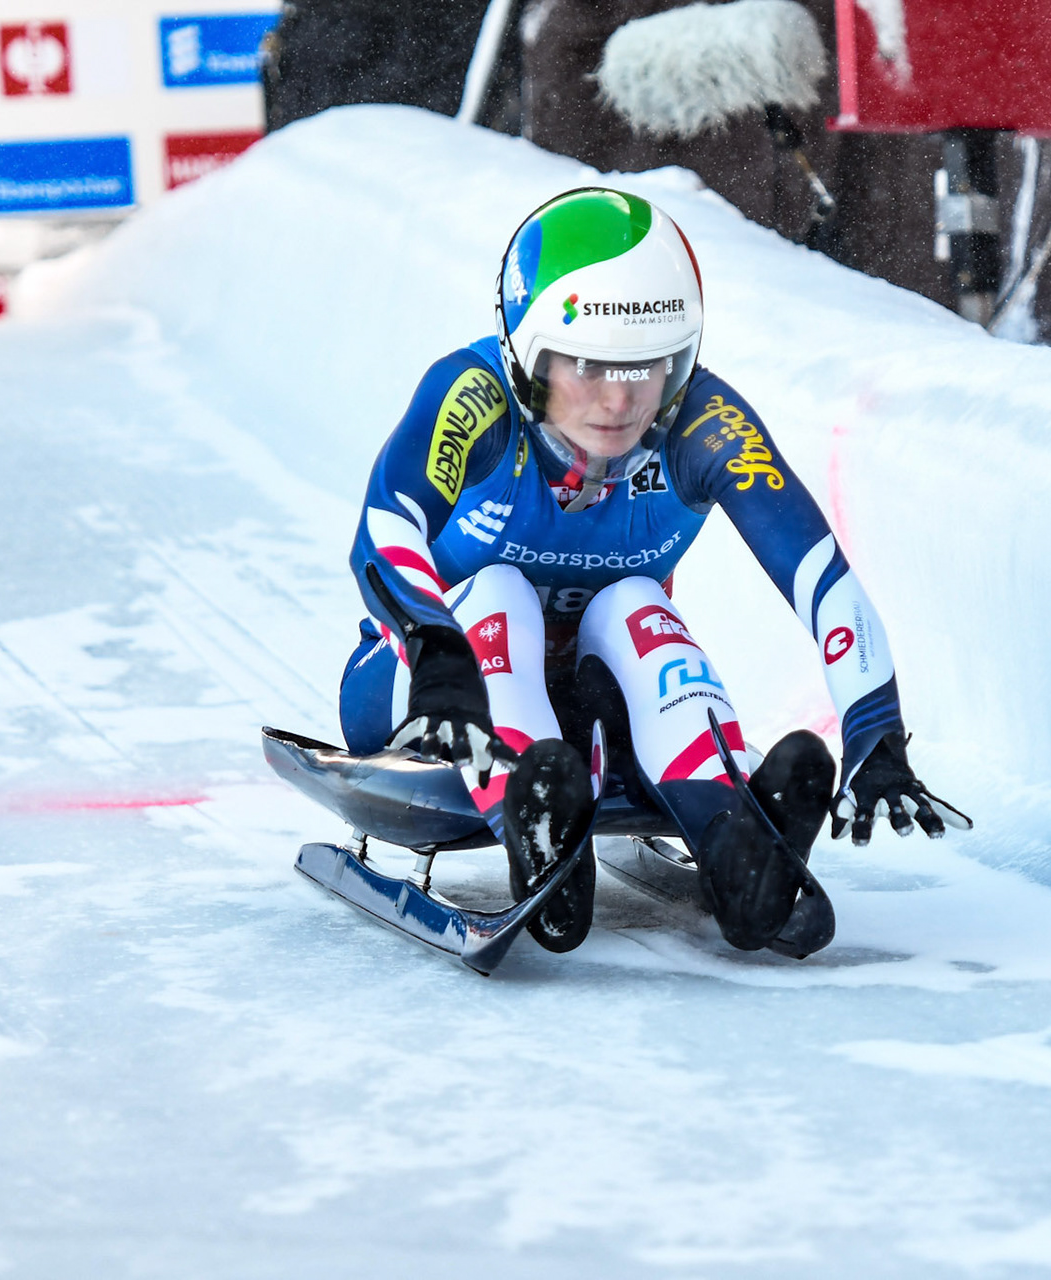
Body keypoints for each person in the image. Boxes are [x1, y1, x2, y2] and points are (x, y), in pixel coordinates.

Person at [340, 187, 959, 957]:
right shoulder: (473, 395)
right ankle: (535, 826)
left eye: (650, 366)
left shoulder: (703, 421)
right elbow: (384, 525)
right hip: (431, 693)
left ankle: (731, 839)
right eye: (588, 367)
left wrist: (874, 731)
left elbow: (820, 575)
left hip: (601, 709)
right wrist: (436, 655)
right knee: (499, 589)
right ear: (526, 355)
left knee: (635, 601)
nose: (621, 400)